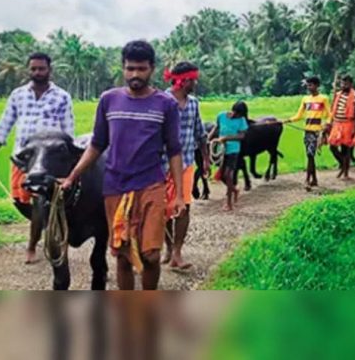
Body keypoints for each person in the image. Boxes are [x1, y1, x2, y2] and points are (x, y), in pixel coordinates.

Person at [61, 40, 184, 291]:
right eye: (130, 69)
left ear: (152, 68)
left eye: (141, 69)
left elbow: (174, 150)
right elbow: (96, 144)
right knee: (123, 253)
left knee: (150, 254)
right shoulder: (109, 100)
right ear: (123, 68)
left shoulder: (166, 104)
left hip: (151, 185)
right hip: (116, 186)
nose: (135, 74)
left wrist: (179, 194)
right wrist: (72, 176)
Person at [0, 52, 74, 265]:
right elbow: (4, 125)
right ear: (28, 70)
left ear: (49, 70)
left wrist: (70, 162)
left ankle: (35, 245)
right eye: (33, 69)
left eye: (41, 69)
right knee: (22, 201)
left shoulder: (62, 96)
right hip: (24, 158)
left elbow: (68, 131)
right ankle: (43, 231)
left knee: (44, 201)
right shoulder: (18, 95)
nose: (37, 72)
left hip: (50, 160)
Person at [161, 61, 209, 271]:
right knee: (163, 210)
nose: (195, 83)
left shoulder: (194, 103)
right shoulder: (161, 101)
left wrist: (206, 158)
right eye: (192, 80)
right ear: (181, 80)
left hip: (187, 161)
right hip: (161, 164)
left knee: (183, 207)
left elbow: (200, 132)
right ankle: (168, 247)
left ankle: (178, 253)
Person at [284, 77, 330, 191]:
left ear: (317, 85)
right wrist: (288, 120)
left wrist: (327, 124)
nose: (309, 87)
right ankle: (314, 179)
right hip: (307, 130)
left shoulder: (323, 99)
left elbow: (329, 114)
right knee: (310, 156)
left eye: (311, 85)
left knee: (310, 155)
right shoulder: (305, 99)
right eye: (308, 85)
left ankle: (307, 180)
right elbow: (299, 115)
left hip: (317, 131)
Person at [210, 101, 249, 211]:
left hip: (233, 150)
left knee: (228, 174)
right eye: (238, 114)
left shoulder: (241, 121)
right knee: (221, 176)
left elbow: (241, 136)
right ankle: (234, 189)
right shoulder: (221, 116)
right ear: (234, 111)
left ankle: (229, 203)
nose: (239, 117)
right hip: (221, 149)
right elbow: (216, 128)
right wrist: (209, 138)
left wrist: (227, 138)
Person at [327, 75, 355, 180]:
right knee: (332, 146)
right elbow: (332, 110)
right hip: (337, 123)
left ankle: (346, 171)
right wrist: (329, 123)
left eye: (346, 83)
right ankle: (342, 164)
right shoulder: (338, 94)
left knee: (346, 148)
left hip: (348, 124)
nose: (343, 85)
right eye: (342, 83)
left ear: (351, 84)